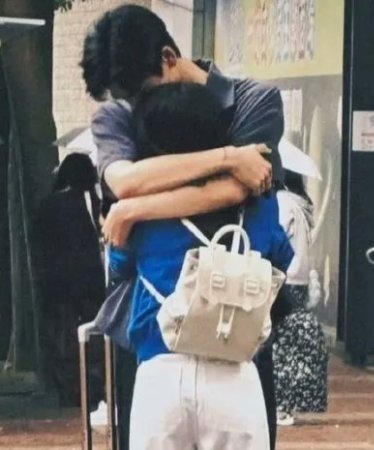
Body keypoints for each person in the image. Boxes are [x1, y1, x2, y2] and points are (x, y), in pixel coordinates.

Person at [80, 5, 286, 449]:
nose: (133, 108)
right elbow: (126, 180)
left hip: (223, 343)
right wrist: (230, 156)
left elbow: (240, 190)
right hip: (177, 352)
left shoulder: (254, 100)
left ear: (169, 58)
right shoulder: (116, 114)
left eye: (139, 93)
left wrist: (133, 212)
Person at [108, 81, 293, 449]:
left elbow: (118, 268)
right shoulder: (257, 203)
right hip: (233, 371)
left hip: (160, 372)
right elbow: (282, 257)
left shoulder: (141, 213)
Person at [34, 153, 104, 408]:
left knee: (63, 339)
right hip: (86, 282)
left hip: (56, 285)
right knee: (91, 337)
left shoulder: (48, 205)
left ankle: (71, 391)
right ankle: (92, 389)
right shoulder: (86, 202)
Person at [272, 170, 328, 426]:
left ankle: (279, 405)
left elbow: (278, 239)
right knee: (290, 345)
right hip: (301, 280)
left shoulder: (282, 203)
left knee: (279, 345)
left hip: (286, 278)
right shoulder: (301, 205)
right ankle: (285, 405)